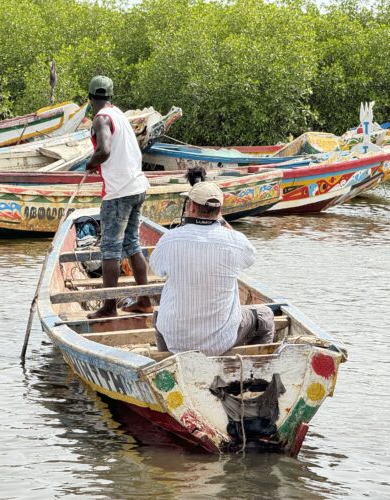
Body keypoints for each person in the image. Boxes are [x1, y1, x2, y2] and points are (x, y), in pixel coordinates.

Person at [149, 181, 275, 356]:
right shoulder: (236, 241)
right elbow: (250, 257)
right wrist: (221, 221)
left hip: (175, 340)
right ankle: (255, 371)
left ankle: (169, 363)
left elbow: (156, 269)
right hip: (220, 342)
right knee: (265, 316)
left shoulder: (169, 239)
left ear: (191, 207)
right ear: (219, 211)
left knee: (159, 316)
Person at [84, 75, 152, 319]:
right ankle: (144, 301)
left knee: (110, 248)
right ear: (111, 97)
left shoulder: (101, 118)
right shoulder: (120, 115)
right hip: (137, 187)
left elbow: (104, 150)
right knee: (132, 243)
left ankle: (109, 307)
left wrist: (90, 163)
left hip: (119, 192)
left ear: (91, 98)